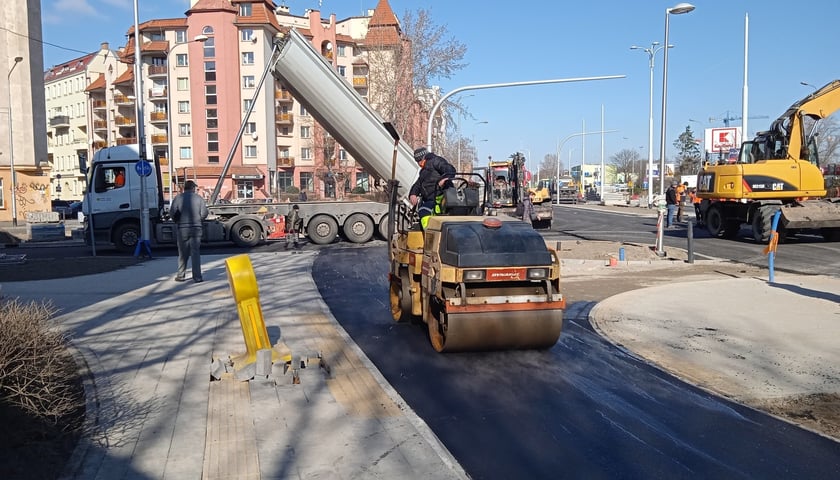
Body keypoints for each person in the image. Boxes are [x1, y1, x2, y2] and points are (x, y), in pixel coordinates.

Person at [170, 180, 209, 283]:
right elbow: (204, 213)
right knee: (195, 253)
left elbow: (172, 212)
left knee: (182, 253)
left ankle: (181, 275)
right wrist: (199, 219)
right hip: (196, 228)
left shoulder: (178, 198)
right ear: (193, 188)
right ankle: (197, 277)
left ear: (184, 188)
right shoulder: (199, 198)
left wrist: (177, 221)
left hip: (182, 228)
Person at [409, 147, 456, 229]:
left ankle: (429, 232)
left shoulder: (436, 161)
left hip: (439, 197)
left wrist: (445, 178)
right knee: (423, 210)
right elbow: (418, 183)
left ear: (423, 158)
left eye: (419, 161)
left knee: (424, 212)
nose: (419, 164)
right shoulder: (423, 171)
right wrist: (413, 193)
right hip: (431, 199)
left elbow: (449, 169)